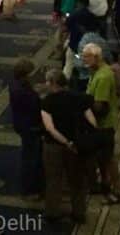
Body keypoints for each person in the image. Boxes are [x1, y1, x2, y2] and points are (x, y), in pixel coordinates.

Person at [40, 68, 96, 223]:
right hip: (77, 146)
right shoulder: (79, 98)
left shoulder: (47, 102)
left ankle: (52, 212)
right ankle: (79, 213)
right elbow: (91, 120)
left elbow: (50, 128)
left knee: (53, 179)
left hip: (54, 146)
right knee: (77, 180)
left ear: (52, 83)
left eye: (46, 81)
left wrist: (66, 142)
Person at [83, 43, 120, 204]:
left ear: (96, 57)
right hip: (99, 124)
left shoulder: (104, 77)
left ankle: (118, 191)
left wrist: (83, 107)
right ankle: (106, 185)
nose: (83, 60)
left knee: (108, 159)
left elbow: (100, 106)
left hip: (103, 124)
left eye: (86, 56)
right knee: (102, 158)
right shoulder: (96, 72)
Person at [9, 59, 43, 200]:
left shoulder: (16, 84)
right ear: (25, 74)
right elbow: (34, 106)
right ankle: (28, 190)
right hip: (29, 126)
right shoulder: (22, 91)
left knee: (30, 155)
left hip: (22, 123)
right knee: (30, 158)